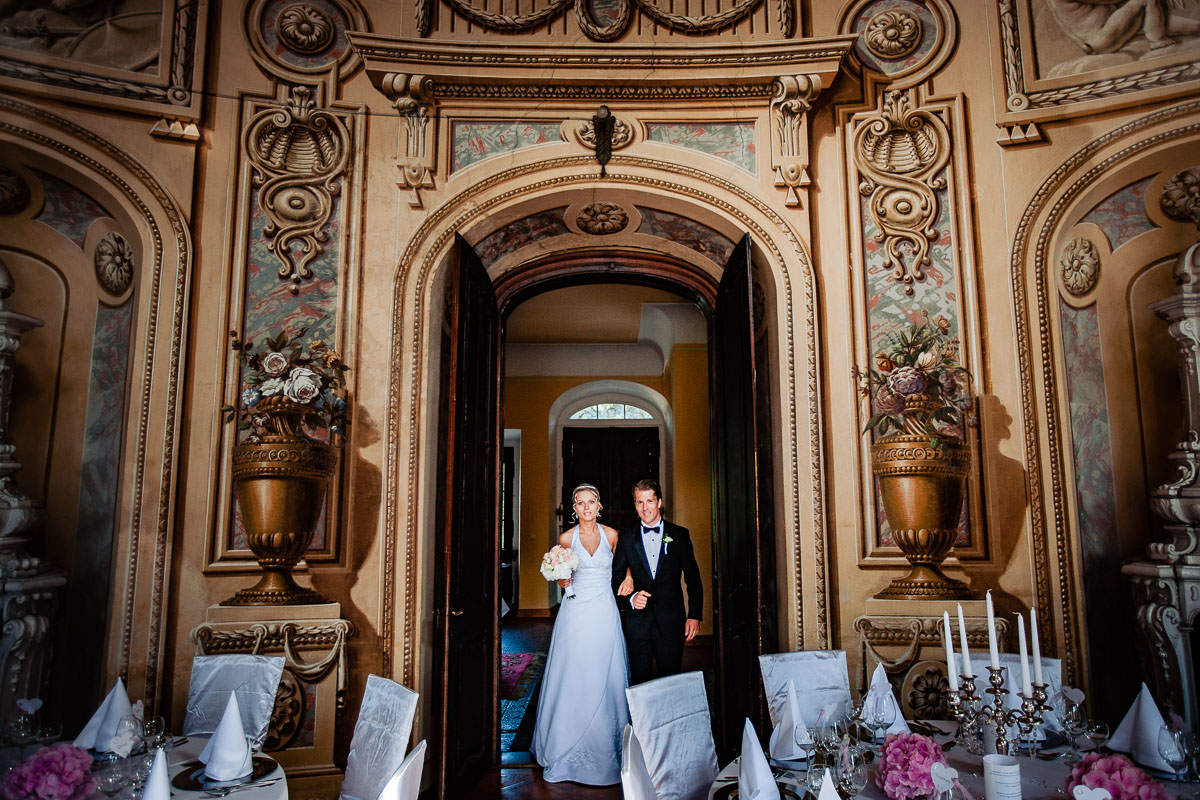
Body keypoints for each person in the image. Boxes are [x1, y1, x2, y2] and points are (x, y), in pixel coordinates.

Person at [531, 483, 630, 785]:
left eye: (591, 502)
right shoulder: (565, 538)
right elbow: (562, 578)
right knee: (574, 671)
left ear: (599, 506)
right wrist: (561, 581)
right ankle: (566, 744)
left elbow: (628, 565)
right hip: (574, 611)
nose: (586, 508)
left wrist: (628, 578)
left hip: (603, 610)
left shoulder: (612, 536)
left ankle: (606, 748)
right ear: (573, 508)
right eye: (580, 503)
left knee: (604, 669)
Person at [611, 479, 703, 686]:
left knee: (670, 680)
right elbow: (615, 576)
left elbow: (693, 578)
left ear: (659, 502)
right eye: (639, 502)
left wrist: (695, 615)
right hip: (638, 624)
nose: (645, 508)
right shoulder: (626, 538)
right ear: (635, 505)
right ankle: (641, 720)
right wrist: (632, 598)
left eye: (649, 501)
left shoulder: (680, 535)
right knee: (639, 681)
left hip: (671, 620)